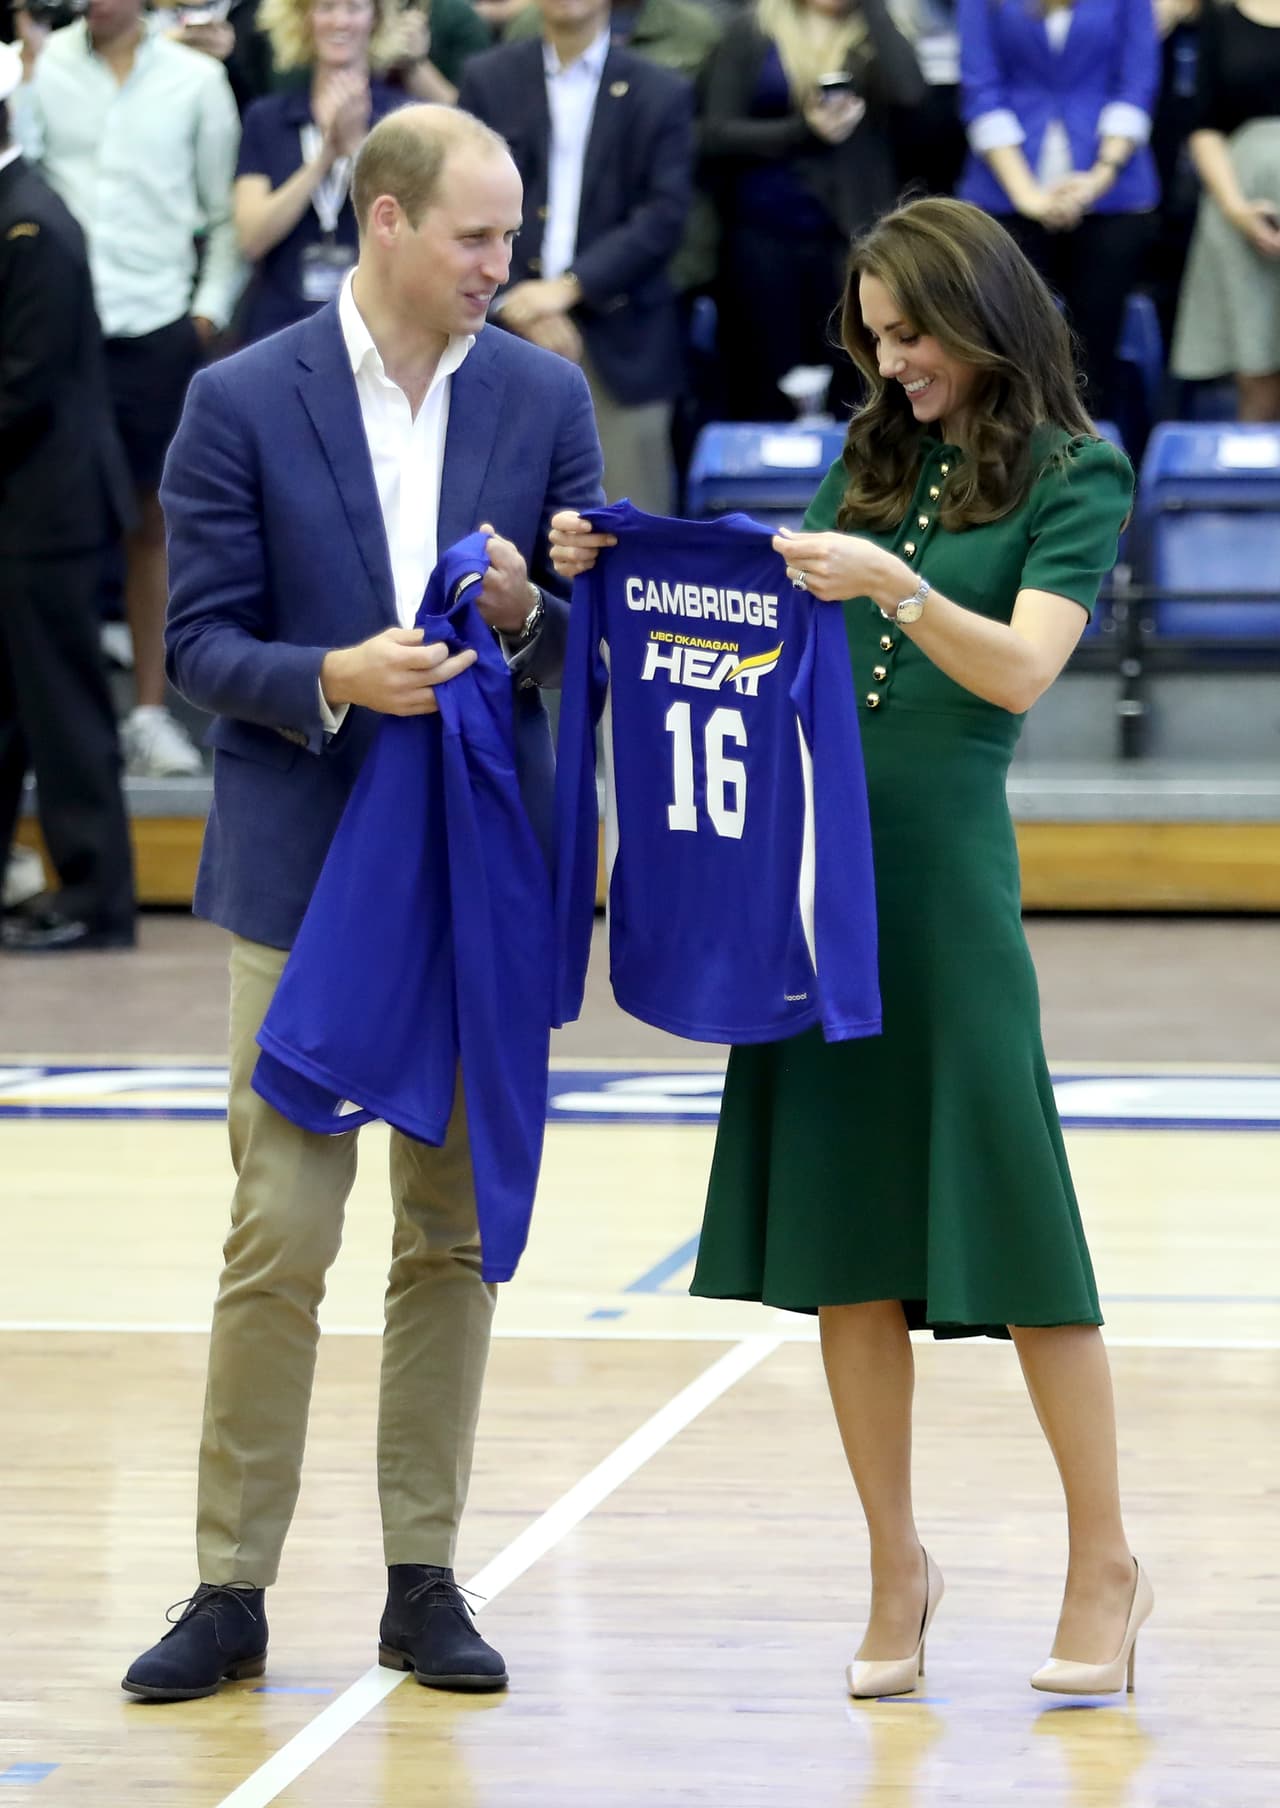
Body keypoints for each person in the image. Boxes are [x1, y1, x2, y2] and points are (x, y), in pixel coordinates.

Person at [550, 196, 1153, 1700]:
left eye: (912, 334)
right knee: (842, 1251)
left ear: (980, 313)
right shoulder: (869, 454)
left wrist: (898, 583)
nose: (891, 366)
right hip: (807, 878)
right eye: (873, 339)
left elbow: (1017, 671)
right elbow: (762, 596)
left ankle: (1108, 1564)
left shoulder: (1084, 471)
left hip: (945, 886)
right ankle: (897, 1564)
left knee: (1023, 1231)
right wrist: (618, 554)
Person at [120, 103, 603, 1702]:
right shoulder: (238, 398)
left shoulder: (544, 395)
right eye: (476, 236)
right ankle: (228, 1585)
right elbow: (197, 646)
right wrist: (330, 676)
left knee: (447, 1239)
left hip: (477, 879)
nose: (502, 265)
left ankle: (422, 1574)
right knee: (279, 1235)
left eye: (513, 236)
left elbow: (574, 652)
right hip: (307, 880)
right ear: (386, 223)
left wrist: (537, 616)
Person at [12, 0, 242, 779]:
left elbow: (220, 210)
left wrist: (205, 311)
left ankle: (148, 713)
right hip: (59, 329)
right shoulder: (41, 72)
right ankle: (50, 727)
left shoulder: (197, 80)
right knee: (52, 533)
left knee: (152, 523)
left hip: (157, 326)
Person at [0, 41, 135, 954]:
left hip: (45, 514)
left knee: (63, 708)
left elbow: (25, 384)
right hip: (20, 511)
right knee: (12, 710)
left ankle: (96, 897)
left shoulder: (32, 225)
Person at [458, 0, 694, 514]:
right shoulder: (488, 78)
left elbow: (665, 215)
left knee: (632, 532)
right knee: (496, 526)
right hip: (504, 327)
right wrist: (522, 299)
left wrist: (566, 290)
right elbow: (462, 201)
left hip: (622, 335)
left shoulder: (661, 91)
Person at [700, 0, 923, 422]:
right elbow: (713, 134)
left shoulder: (877, 33)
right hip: (763, 234)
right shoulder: (753, 30)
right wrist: (805, 130)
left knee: (860, 380)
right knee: (764, 382)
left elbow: (911, 94)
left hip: (853, 240)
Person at [956, 0, 1160, 423]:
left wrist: (1097, 181)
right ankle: (1010, 470)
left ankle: (1094, 466)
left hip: (1113, 195)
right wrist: (1029, 197)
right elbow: (981, 91)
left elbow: (1136, 86)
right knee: (1006, 352)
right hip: (1005, 195)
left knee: (1095, 356)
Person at [233, 0, 411, 345]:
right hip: (279, 326)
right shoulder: (266, 118)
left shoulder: (406, 118)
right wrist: (325, 156)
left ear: (375, 19)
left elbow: (410, 232)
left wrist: (359, 148)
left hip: (377, 329)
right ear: (305, 19)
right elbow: (251, 239)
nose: (340, 21)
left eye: (354, 8)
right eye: (326, 7)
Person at [1170, 0, 1280, 421]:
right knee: (1256, 373)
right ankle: (1255, 487)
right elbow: (1204, 125)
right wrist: (1237, 210)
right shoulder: (1221, 18)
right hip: (1241, 206)